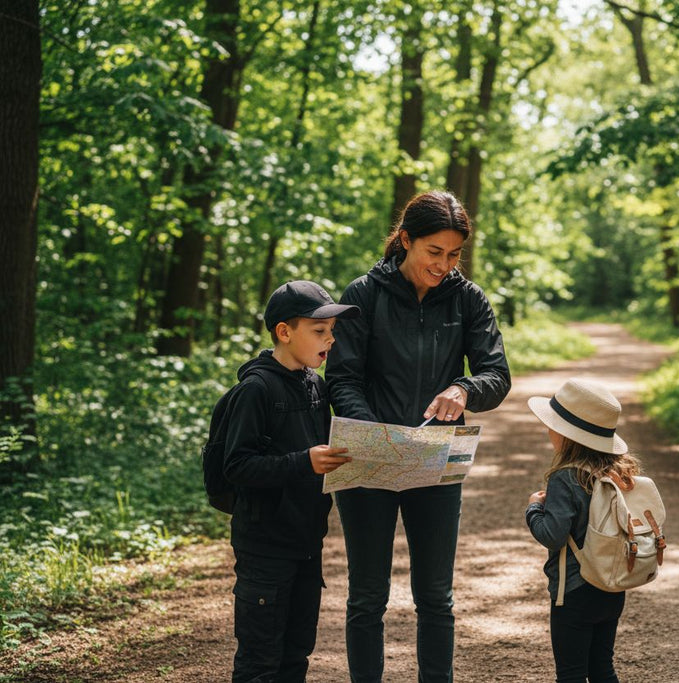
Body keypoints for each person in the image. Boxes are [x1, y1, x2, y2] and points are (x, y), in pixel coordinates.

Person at [326, 190, 511, 682]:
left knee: (436, 597)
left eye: (454, 255)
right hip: (368, 459)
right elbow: (342, 377)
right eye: (435, 252)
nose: (444, 265)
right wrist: (375, 434)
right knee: (367, 597)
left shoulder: (468, 299)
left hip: (436, 460)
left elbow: (497, 375)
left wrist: (463, 388)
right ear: (406, 240)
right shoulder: (363, 294)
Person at [222, 280, 360, 683]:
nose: (330, 341)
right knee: (260, 661)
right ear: (284, 332)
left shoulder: (315, 385)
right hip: (264, 546)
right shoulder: (255, 390)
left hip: (305, 543)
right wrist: (304, 462)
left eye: (332, 332)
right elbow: (238, 466)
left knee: (296, 654)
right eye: (319, 332)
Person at [524, 378, 641, 683]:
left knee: (571, 674)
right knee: (602, 667)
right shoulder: (617, 472)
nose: (547, 430)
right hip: (612, 586)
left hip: (573, 592)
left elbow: (552, 534)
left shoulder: (565, 477)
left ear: (566, 435)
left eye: (551, 425)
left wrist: (534, 509)